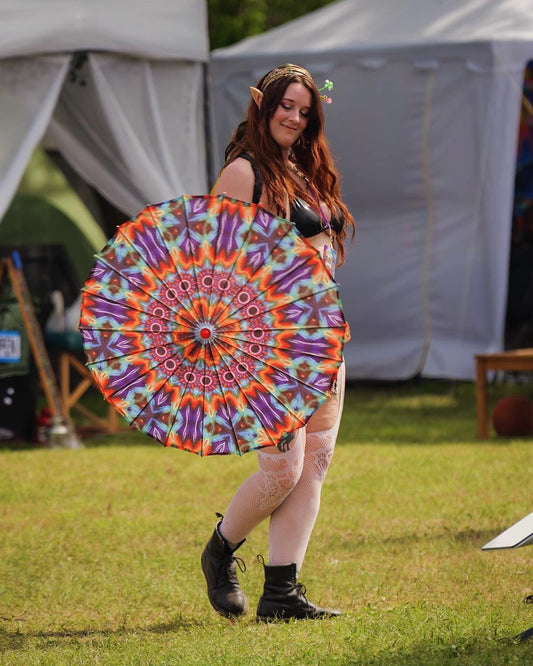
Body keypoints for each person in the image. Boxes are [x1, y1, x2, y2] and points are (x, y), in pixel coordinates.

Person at [201, 63, 355, 622]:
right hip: (271, 344)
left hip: (324, 336)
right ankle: (220, 550)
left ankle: (282, 593)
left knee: (314, 461)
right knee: (281, 470)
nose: (293, 117)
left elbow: (319, 254)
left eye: (304, 110)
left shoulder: (303, 168)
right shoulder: (245, 173)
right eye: (284, 106)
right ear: (261, 106)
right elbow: (212, 266)